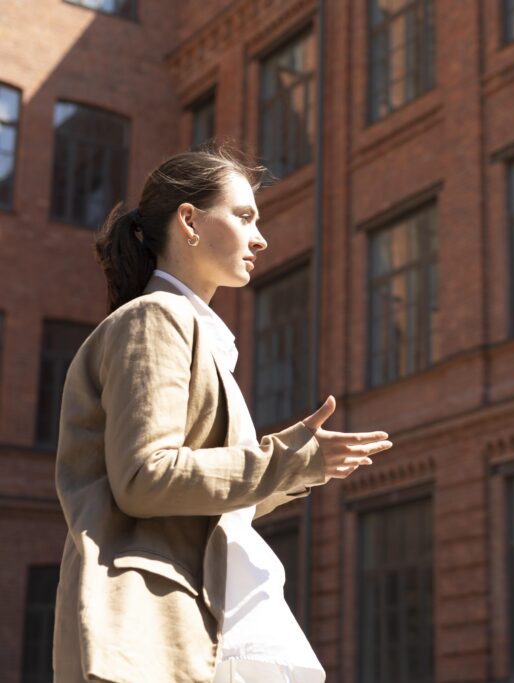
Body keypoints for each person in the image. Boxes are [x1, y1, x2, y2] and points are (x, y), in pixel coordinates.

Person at [53, 148, 393, 683]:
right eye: (244, 216)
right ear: (189, 221)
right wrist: (287, 460)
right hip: (156, 627)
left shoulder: (191, 333)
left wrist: (304, 468)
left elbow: (200, 504)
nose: (260, 239)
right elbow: (145, 478)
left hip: (197, 618)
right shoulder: (155, 317)